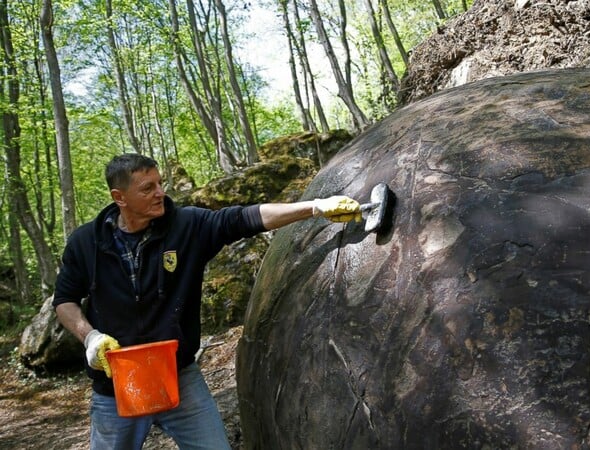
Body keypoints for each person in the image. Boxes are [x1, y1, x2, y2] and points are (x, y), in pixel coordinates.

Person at [52, 153, 361, 450]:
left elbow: (245, 217)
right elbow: (64, 300)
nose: (160, 193)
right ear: (120, 197)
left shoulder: (186, 225)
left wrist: (315, 207)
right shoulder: (85, 243)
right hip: (115, 386)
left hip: (180, 377)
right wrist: (89, 336)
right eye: (148, 188)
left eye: (160, 183)